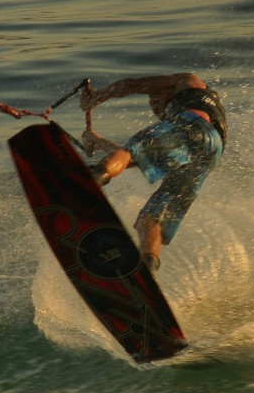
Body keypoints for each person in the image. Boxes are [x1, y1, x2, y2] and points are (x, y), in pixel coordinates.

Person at [79, 73, 227, 272]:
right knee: (150, 219)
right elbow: (135, 158)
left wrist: (98, 96)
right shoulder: (205, 112)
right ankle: (148, 265)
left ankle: (88, 181)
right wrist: (97, 141)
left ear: (163, 93)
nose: (154, 106)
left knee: (130, 152)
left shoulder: (187, 82)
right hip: (210, 153)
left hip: (193, 125)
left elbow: (131, 83)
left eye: (154, 100)